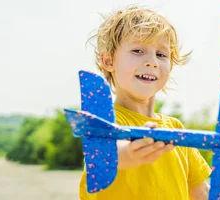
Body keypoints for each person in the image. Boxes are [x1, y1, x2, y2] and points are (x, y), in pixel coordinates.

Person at [79, 5, 212, 200]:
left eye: (161, 54)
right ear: (108, 61)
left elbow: (201, 194)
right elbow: (102, 156)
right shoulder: (103, 121)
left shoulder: (175, 129)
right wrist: (127, 153)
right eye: (138, 50)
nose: (152, 62)